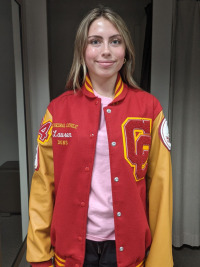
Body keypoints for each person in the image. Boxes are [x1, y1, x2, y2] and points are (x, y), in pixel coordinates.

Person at [26, 6, 173, 267]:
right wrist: (38, 255)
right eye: (95, 42)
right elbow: (42, 186)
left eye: (115, 41)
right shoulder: (57, 110)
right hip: (72, 250)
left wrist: (160, 260)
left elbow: (162, 189)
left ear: (125, 51)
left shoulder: (150, 109)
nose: (106, 50)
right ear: (82, 51)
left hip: (127, 249)